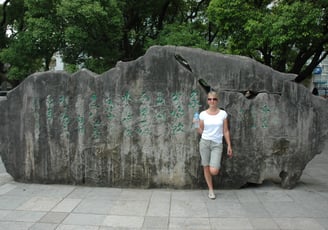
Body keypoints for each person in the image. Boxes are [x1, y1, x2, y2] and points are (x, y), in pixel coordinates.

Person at [197, 91, 233, 199]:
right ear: (207, 101)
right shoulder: (203, 114)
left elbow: (226, 130)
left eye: (214, 99)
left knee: (214, 170)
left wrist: (229, 145)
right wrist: (195, 124)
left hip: (217, 143)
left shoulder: (223, 114)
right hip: (205, 142)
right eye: (209, 99)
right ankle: (211, 190)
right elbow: (201, 131)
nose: (212, 101)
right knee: (205, 166)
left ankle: (211, 186)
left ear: (217, 100)